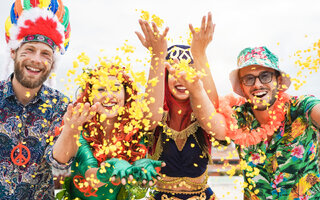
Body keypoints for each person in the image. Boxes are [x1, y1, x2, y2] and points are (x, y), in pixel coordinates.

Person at [173, 46, 320, 199]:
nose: (257, 85)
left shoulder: (301, 107)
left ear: (279, 80)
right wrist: (197, 87)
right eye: (249, 79)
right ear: (242, 88)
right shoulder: (239, 117)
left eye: (265, 76)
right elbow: (212, 122)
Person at [136, 12, 220, 200]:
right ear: (164, 77)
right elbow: (150, 120)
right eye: (174, 70)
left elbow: (215, 118)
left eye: (189, 69)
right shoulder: (154, 112)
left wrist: (200, 53)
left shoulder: (202, 116)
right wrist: (157, 56)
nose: (181, 76)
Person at [0, 0, 75, 199]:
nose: (36, 60)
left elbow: (61, 166)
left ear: (52, 63)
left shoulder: (63, 107)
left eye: (45, 54)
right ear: (14, 52)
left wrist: (71, 129)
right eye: (29, 50)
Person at [56, 63, 165, 200]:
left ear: (126, 95)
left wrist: (140, 169)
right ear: (90, 97)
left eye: (115, 89)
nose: (108, 96)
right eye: (101, 89)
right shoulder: (81, 130)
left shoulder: (134, 131)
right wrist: (110, 169)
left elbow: (135, 183)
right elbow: (91, 177)